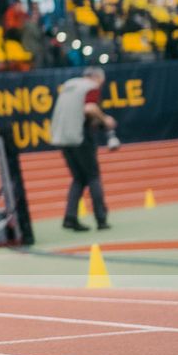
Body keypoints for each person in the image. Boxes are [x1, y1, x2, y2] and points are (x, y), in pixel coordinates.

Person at [51, 66, 116, 233]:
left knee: (78, 178)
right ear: (96, 78)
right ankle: (101, 219)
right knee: (93, 176)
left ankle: (70, 217)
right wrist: (105, 119)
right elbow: (89, 108)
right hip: (80, 136)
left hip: (63, 137)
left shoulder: (69, 85)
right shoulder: (90, 87)